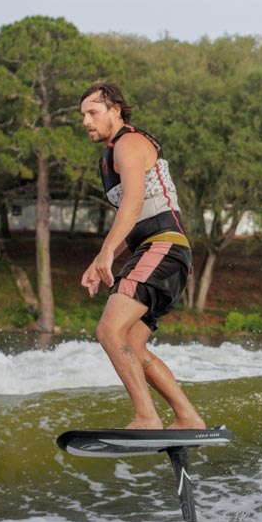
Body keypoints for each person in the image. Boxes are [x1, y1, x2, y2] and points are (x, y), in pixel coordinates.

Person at [79, 81, 205, 430]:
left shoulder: (129, 143)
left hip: (162, 248)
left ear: (115, 110)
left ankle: (147, 418)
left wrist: (107, 252)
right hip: (166, 253)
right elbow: (132, 219)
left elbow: (133, 203)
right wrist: (100, 259)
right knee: (132, 344)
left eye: (93, 112)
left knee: (108, 330)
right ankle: (188, 417)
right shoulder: (112, 155)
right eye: (83, 115)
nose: (86, 121)